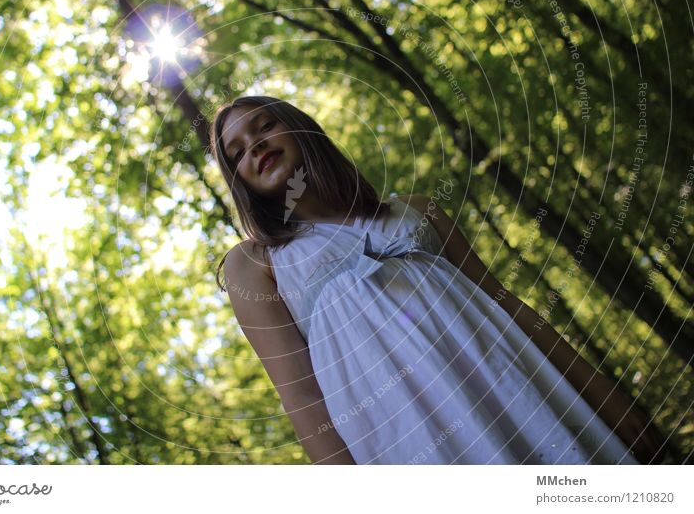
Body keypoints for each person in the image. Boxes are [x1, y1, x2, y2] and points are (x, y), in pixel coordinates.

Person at [209, 95, 665, 465]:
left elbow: (503, 302)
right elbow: (303, 397)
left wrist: (602, 394)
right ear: (241, 182)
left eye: (264, 126)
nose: (254, 145)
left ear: (301, 127)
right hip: (413, 436)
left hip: (515, 387)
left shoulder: (416, 210)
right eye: (237, 152)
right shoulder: (257, 264)